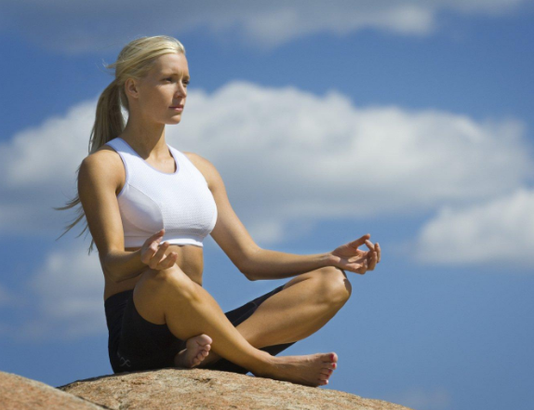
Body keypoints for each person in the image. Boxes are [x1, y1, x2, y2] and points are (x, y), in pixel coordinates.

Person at [55, 35, 381, 388]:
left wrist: (328, 258)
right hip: (139, 332)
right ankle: (263, 363)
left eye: (186, 82)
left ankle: (207, 357)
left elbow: (250, 260)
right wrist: (144, 260)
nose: (181, 92)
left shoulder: (201, 169)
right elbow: (113, 265)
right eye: (168, 80)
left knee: (332, 284)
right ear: (132, 87)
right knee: (165, 276)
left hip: (199, 334)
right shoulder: (106, 165)